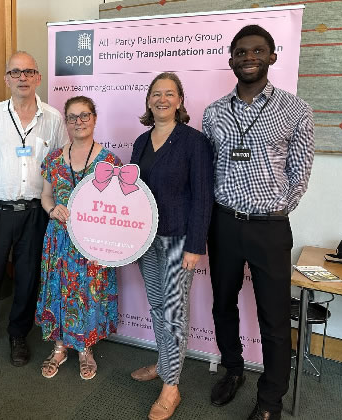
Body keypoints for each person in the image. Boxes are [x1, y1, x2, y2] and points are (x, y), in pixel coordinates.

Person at [203, 25, 314, 420]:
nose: (249, 57)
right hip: (225, 225)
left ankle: (270, 402)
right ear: (231, 58)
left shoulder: (295, 109)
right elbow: (210, 167)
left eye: (258, 50)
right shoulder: (214, 111)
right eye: (241, 51)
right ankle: (233, 370)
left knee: (274, 317)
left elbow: (301, 170)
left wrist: (279, 205)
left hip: (269, 227)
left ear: (272, 56)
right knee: (222, 306)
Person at [0, 51, 69, 366]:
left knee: (29, 276)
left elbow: (59, 164)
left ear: (38, 78)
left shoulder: (54, 118)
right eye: (16, 72)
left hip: (35, 212)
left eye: (29, 72)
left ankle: (18, 333)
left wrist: (54, 206)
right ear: (6, 78)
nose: (22, 78)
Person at [129, 72, 214, 420]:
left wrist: (195, 245)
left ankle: (171, 386)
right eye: (156, 94)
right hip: (146, 241)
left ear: (180, 101)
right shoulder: (139, 142)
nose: (162, 99)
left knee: (173, 314)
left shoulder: (194, 142)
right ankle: (165, 363)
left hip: (180, 241)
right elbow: (132, 193)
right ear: (149, 100)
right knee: (156, 306)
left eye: (169, 94)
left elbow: (202, 198)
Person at [36, 96, 122, 380]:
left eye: (85, 116)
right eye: (72, 117)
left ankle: (85, 348)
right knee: (59, 291)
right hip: (60, 240)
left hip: (93, 244)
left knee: (89, 293)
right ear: (66, 122)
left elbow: (119, 207)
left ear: (94, 119)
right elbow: (45, 196)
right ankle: (59, 347)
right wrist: (52, 209)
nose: (79, 122)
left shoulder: (109, 161)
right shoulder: (53, 159)